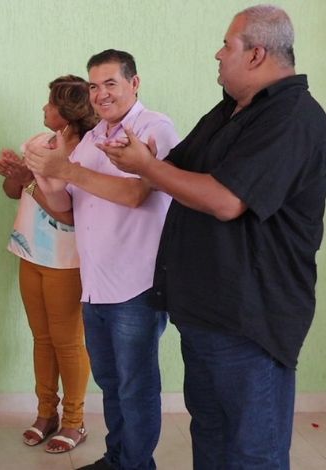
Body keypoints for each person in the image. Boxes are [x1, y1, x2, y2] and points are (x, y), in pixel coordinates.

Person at [100, 5, 326, 469]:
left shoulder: (291, 116)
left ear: (258, 54)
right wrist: (142, 157)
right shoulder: (229, 110)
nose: (217, 54)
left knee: (251, 451)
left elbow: (226, 200)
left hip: (250, 320)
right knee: (211, 431)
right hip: (206, 313)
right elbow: (176, 167)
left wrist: (148, 167)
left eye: (228, 45)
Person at [24, 50, 180, 470]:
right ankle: (118, 458)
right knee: (110, 383)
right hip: (94, 284)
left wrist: (68, 171)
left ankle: (135, 463)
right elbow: (67, 209)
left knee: (135, 385)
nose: (101, 94)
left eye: (110, 83)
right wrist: (41, 172)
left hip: (137, 284)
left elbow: (134, 194)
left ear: (135, 83)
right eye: (94, 86)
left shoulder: (154, 127)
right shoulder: (93, 139)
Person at [0, 75, 96, 454]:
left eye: (50, 103)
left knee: (68, 343)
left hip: (66, 262)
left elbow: (71, 214)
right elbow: (13, 192)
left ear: (66, 113)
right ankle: (45, 414)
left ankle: (74, 421)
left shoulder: (87, 152)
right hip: (29, 254)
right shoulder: (39, 144)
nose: (43, 108)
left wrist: (29, 182)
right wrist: (15, 175)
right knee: (42, 339)